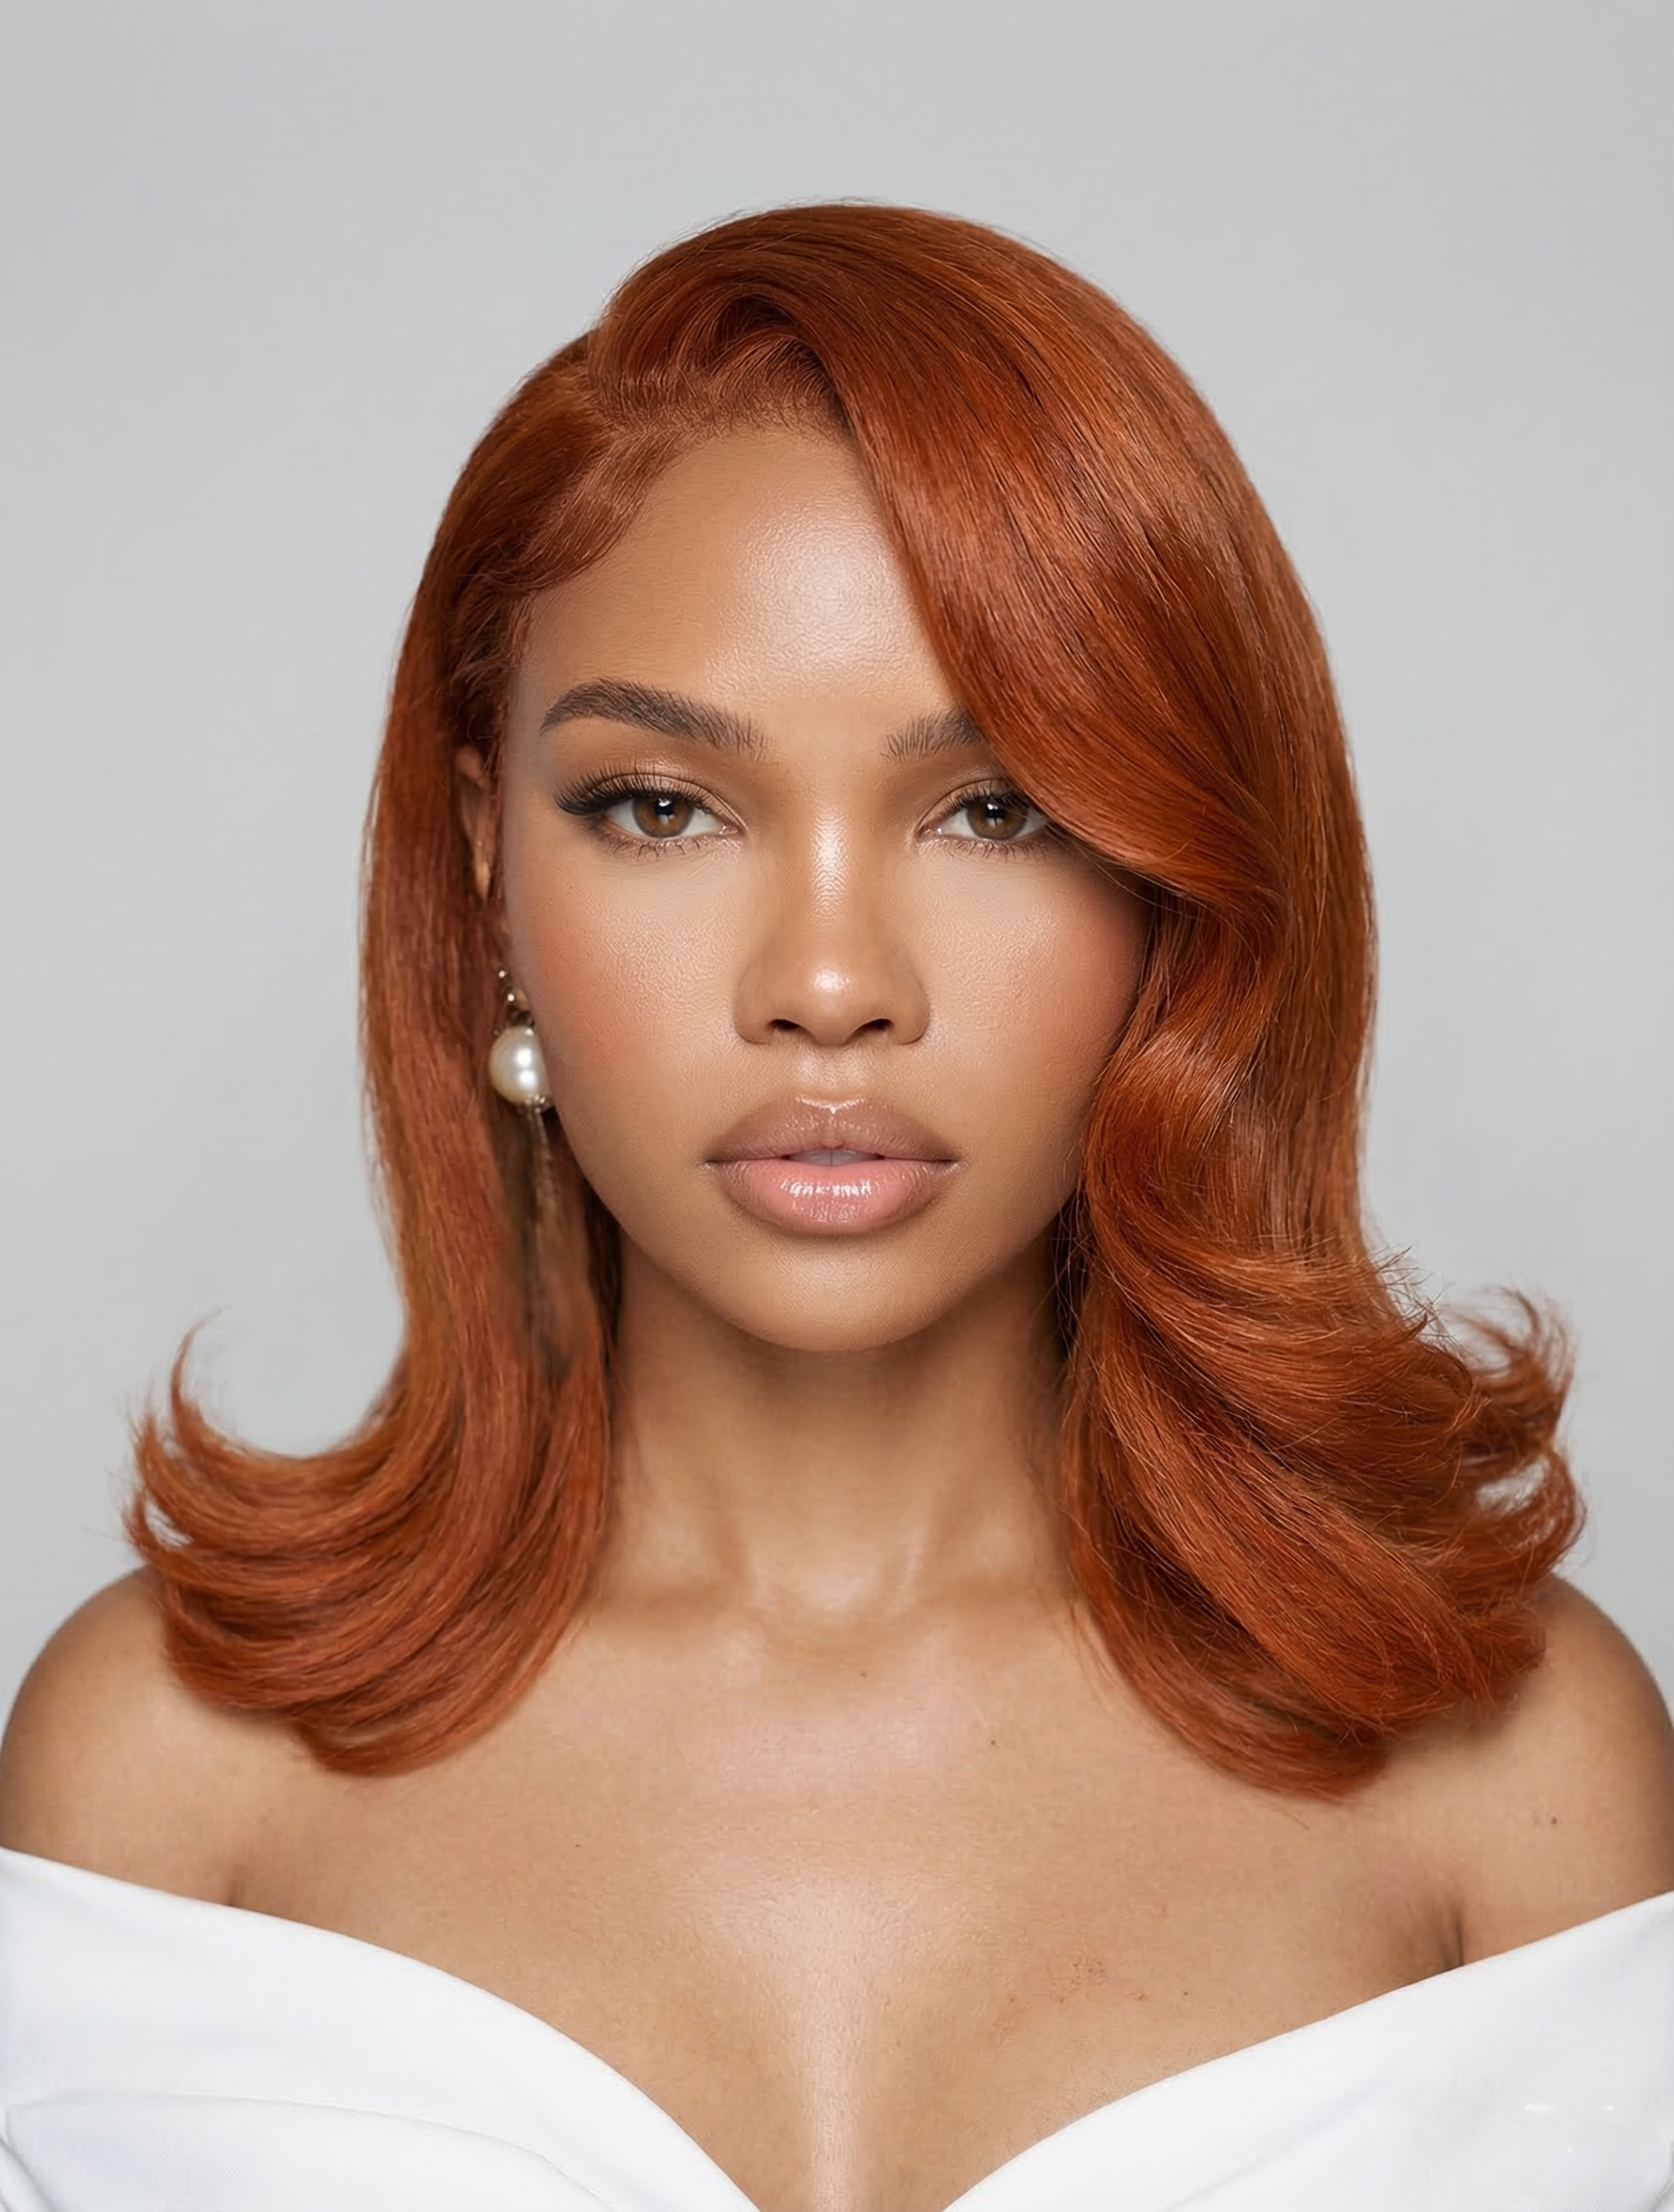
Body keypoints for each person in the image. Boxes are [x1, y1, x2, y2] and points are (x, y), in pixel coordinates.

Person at [1, 203, 1670, 2212]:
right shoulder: (159, 1788)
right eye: (662, 806)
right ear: (485, 869)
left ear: (1180, 885)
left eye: (994, 807)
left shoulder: (1518, 1780)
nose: (824, 980)